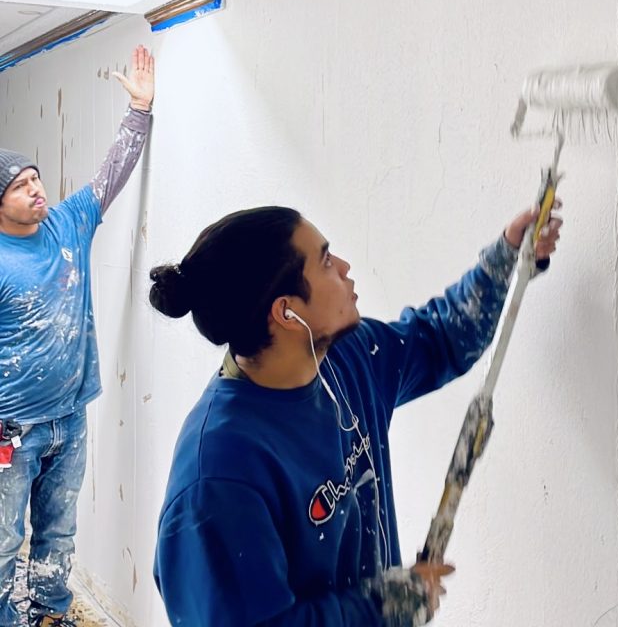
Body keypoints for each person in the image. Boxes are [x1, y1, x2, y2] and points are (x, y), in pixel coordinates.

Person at [151, 200, 562, 627]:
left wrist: (508, 255)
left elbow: (440, 338)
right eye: (325, 261)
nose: (345, 267)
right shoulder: (218, 476)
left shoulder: (345, 360)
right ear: (286, 313)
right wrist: (381, 607)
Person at [0, 46, 155, 627]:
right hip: (9, 431)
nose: (38, 189)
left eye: (37, 178)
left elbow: (111, 175)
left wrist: (138, 111)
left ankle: (51, 612)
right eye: (21, 185)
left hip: (70, 418)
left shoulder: (67, 223)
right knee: (2, 540)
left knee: (58, 533)